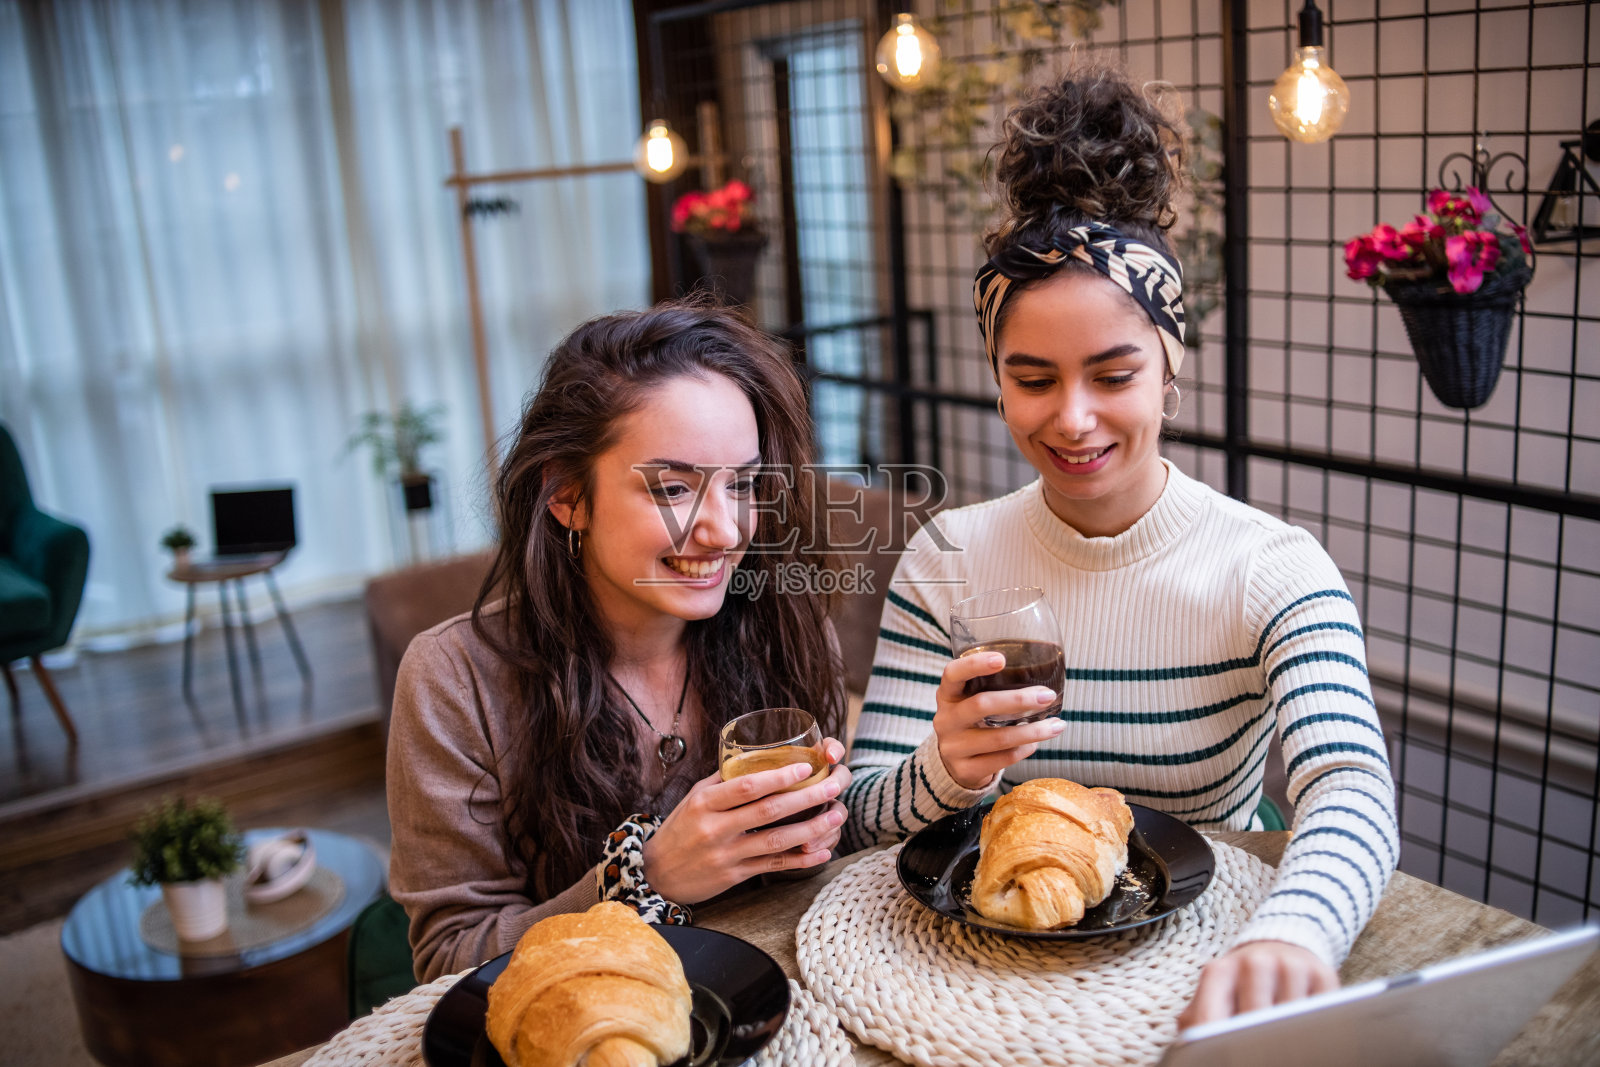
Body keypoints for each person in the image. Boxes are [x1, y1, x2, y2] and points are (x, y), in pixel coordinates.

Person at [841, 65, 1399, 1025]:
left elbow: (1349, 784)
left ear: (1170, 365)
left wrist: (1294, 928)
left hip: (1196, 965)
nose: (1074, 418)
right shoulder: (949, 560)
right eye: (1032, 378)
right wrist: (949, 767)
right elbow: (861, 816)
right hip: (991, 973)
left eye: (1113, 372)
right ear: (998, 379)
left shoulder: (1271, 567)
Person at [387, 299, 851, 982]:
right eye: (672, 487)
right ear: (567, 496)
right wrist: (646, 875)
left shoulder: (790, 630)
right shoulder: (454, 679)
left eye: (743, 484)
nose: (724, 530)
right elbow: (450, 962)